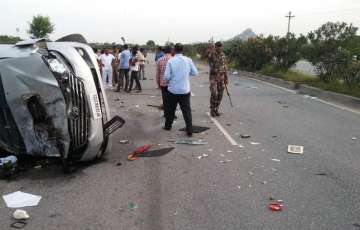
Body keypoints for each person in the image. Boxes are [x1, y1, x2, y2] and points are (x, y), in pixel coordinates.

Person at [163, 43, 198, 137]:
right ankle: (189, 129)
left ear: (174, 50)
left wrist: (173, 78)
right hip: (184, 90)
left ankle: (168, 126)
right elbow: (195, 72)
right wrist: (185, 74)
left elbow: (166, 77)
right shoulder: (188, 60)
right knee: (186, 111)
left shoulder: (171, 61)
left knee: (171, 110)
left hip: (173, 90)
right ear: (182, 50)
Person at [208, 41, 228, 117]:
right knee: (214, 93)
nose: (219, 47)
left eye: (221, 46)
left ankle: (216, 109)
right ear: (215, 47)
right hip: (214, 77)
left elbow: (225, 66)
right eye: (218, 46)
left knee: (220, 94)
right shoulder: (211, 55)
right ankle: (212, 109)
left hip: (221, 77)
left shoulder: (223, 55)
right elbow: (211, 65)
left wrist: (226, 77)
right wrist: (217, 70)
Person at [156, 45, 172, 117]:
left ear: (164, 51)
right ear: (171, 51)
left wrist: (158, 82)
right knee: (172, 100)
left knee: (165, 99)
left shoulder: (160, 60)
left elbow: (158, 73)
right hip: (172, 84)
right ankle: (172, 114)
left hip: (163, 83)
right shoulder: (173, 59)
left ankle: (166, 114)